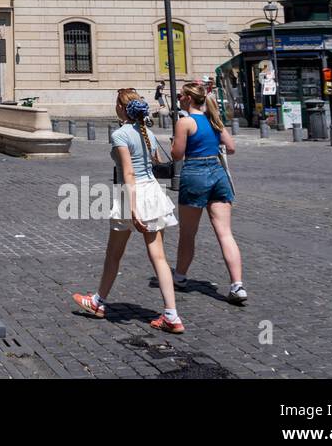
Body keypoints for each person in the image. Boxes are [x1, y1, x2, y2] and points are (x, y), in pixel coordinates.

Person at [72, 90, 184, 333]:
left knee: (113, 254)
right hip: (153, 192)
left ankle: (98, 302)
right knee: (159, 257)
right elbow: (152, 162)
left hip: (132, 194)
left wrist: (132, 209)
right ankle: (171, 314)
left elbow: (129, 172)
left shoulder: (120, 134)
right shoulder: (149, 134)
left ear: (122, 108)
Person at [172, 81, 247, 305]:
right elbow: (231, 148)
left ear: (187, 98)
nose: (178, 99)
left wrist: (175, 143)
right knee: (225, 233)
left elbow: (177, 154)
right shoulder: (214, 120)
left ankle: (180, 276)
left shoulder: (184, 122)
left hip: (195, 173)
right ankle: (237, 285)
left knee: (188, 233)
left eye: (180, 96)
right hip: (217, 173)